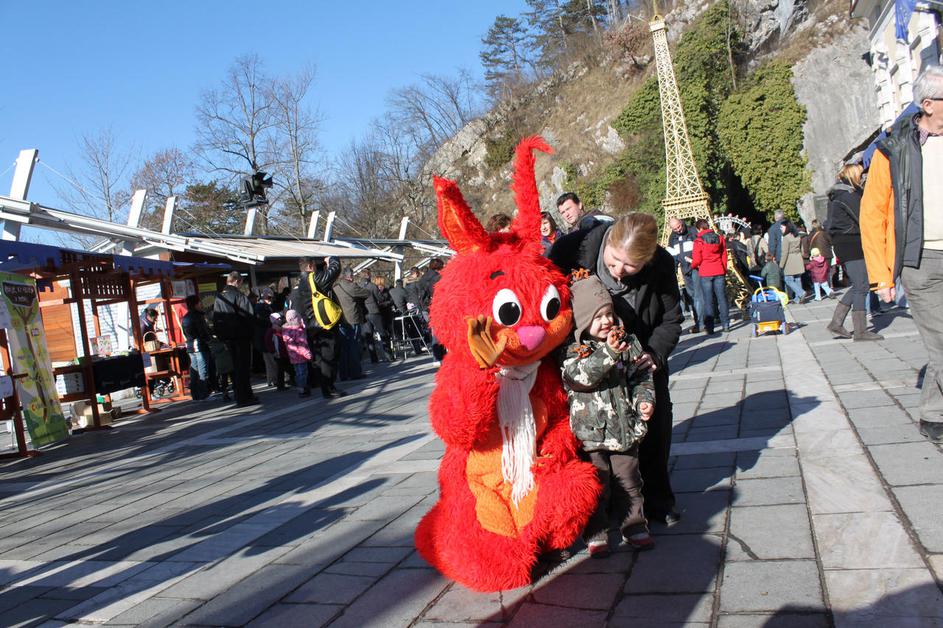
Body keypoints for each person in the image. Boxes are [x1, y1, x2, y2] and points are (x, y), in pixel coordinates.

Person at [550, 212, 684, 525]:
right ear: (607, 242)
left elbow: (670, 319)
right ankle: (595, 513)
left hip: (638, 358)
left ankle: (657, 501)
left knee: (655, 423)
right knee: (589, 445)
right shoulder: (571, 251)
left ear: (648, 260)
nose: (619, 272)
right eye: (613, 262)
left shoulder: (662, 264)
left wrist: (655, 353)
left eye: (630, 267)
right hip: (586, 359)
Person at [861, 65, 943, 443]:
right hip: (920, 261)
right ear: (927, 105)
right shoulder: (892, 148)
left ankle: (932, 413)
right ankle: (936, 417)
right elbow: (873, 213)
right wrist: (881, 276)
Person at [561, 274, 655, 557]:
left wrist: (644, 401)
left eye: (609, 314)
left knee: (629, 479)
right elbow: (581, 377)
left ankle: (634, 524)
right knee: (598, 483)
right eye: (597, 316)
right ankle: (597, 529)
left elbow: (641, 376)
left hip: (624, 428)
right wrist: (609, 354)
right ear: (582, 319)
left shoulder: (627, 342)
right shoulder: (573, 351)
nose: (607, 322)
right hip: (590, 434)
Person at [825, 164, 881, 340]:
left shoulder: (840, 195)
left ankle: (837, 323)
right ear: (853, 176)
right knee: (862, 285)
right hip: (851, 243)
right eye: (860, 174)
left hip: (847, 243)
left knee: (860, 284)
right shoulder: (848, 195)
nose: (862, 177)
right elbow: (863, 217)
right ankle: (860, 331)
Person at [290, 256, 345, 398]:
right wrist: (332, 260)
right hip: (324, 325)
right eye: (314, 266)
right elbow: (334, 271)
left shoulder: (301, 282)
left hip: (312, 325)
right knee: (329, 355)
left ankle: (326, 387)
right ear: (309, 266)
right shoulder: (313, 278)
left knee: (320, 358)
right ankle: (329, 389)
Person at [212, 271, 258, 407]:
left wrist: (222, 337)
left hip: (228, 338)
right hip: (241, 336)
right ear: (237, 281)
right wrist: (251, 334)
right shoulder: (238, 295)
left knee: (235, 368)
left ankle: (240, 396)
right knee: (243, 367)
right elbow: (249, 316)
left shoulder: (219, 298)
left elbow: (216, 319)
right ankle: (246, 396)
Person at [691, 219, 730, 334]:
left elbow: (697, 259)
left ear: (699, 228)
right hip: (719, 270)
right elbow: (724, 255)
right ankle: (726, 324)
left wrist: (693, 265)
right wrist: (723, 268)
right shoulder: (719, 238)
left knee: (708, 301)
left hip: (705, 272)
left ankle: (710, 327)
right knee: (722, 298)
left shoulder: (698, 241)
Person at [333, 267, 371, 376]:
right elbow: (366, 293)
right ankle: (355, 372)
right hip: (352, 318)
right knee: (354, 345)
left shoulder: (335, 286)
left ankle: (344, 374)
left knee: (344, 348)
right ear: (350, 276)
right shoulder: (351, 286)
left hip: (340, 319)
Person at [666, 217, 701, 333]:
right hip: (685, 269)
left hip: (696, 267)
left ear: (682, 223)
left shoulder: (692, 231)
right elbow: (673, 256)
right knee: (692, 296)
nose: (678, 230)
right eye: (675, 229)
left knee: (697, 296)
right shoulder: (672, 238)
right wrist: (674, 270)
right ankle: (699, 321)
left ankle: (700, 323)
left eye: (679, 227)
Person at [181, 295, 213, 401]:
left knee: (194, 371)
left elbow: (185, 333)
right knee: (202, 371)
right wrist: (209, 339)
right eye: (199, 303)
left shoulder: (185, 317)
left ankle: (195, 395)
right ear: (195, 304)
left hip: (190, 346)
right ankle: (204, 394)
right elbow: (203, 331)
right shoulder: (197, 316)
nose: (201, 304)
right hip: (199, 345)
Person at [279, 310, 313, 397]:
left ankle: (301, 388)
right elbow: (302, 344)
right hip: (301, 356)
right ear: (294, 319)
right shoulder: (298, 330)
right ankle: (303, 389)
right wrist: (307, 353)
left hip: (293, 357)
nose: (300, 319)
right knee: (303, 373)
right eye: (298, 317)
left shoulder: (286, 330)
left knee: (298, 372)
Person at [779, 221, 806, 304]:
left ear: (786, 227)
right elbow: (802, 249)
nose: (781, 229)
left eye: (782, 227)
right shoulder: (797, 235)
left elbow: (784, 253)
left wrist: (781, 265)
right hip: (798, 258)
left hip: (789, 260)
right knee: (797, 278)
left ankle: (801, 293)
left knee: (788, 279)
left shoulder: (786, 238)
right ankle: (798, 299)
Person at [254, 288, 277, 386]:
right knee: (270, 360)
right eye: (269, 297)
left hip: (265, 337)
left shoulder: (263, 306)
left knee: (269, 360)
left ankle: (271, 379)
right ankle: (273, 379)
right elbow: (262, 321)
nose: (271, 300)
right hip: (265, 337)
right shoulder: (260, 307)